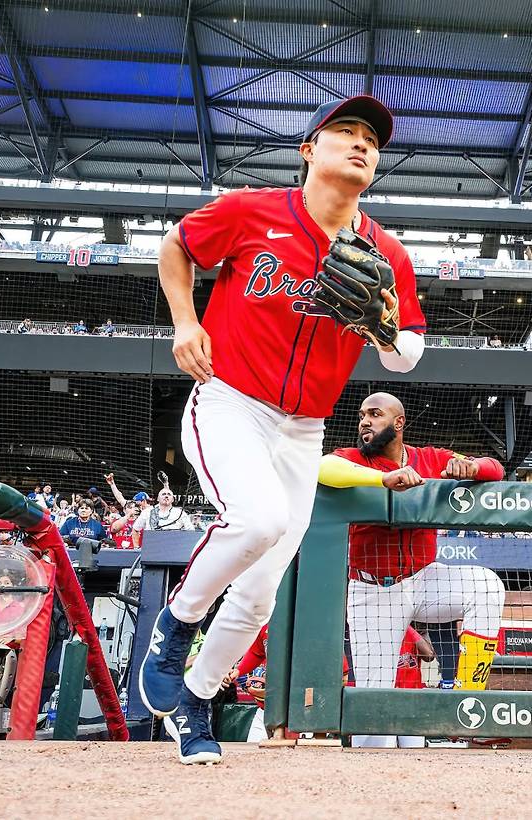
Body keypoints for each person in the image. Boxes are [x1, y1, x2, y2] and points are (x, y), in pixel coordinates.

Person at [139, 95, 426, 765]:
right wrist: (186, 321)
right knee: (259, 519)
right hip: (230, 401)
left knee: (263, 589)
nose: (361, 145)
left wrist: (383, 327)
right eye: (345, 133)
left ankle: (196, 699)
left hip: (304, 428)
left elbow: (406, 351)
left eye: (371, 141)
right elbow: (176, 245)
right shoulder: (251, 211)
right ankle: (175, 626)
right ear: (309, 150)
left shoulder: (386, 252)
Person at [319, 391, 506, 748]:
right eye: (362, 416)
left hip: (424, 578)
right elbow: (323, 468)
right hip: (373, 590)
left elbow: (494, 467)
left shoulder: (429, 458)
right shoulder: (355, 459)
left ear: (398, 422)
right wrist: (381, 481)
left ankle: (464, 704)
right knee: (375, 727)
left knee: (486, 585)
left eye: (375, 414)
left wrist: (470, 467)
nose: (365, 422)